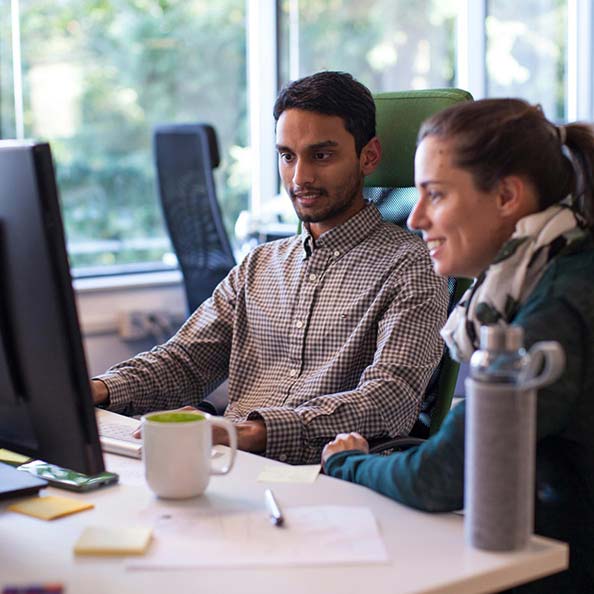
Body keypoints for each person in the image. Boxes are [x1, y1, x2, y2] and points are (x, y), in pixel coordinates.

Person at [92, 71, 448, 465]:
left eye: (322, 155)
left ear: (369, 156)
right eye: (287, 156)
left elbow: (389, 400)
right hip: (233, 466)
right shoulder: (260, 264)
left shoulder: (413, 266)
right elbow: (185, 362)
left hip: (322, 476)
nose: (300, 178)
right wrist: (96, 389)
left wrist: (246, 432)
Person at [322, 98, 594, 592]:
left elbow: (441, 476)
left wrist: (346, 463)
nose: (414, 218)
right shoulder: (553, 272)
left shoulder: (558, 306)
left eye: (436, 195)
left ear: (507, 197)